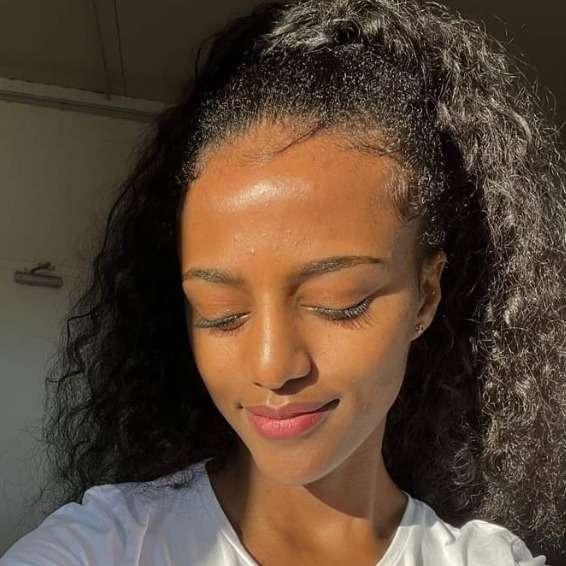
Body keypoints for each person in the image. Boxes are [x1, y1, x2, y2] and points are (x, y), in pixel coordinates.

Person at [2, 0, 565, 564]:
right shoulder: (108, 542)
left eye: (339, 302)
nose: (272, 366)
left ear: (426, 296)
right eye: (220, 312)